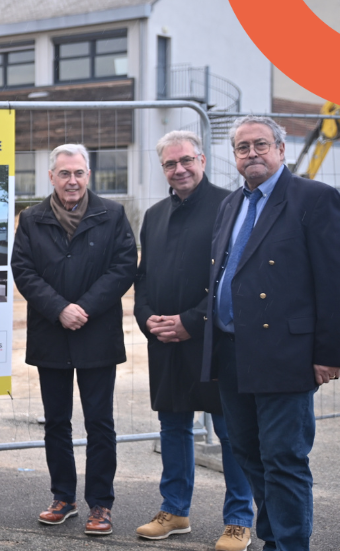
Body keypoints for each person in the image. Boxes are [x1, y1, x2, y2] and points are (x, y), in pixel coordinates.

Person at [202, 116, 340, 551]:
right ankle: (274, 540)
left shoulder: (314, 198)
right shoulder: (230, 205)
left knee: (284, 460)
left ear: (281, 150)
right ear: (233, 156)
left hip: (286, 354)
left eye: (261, 145)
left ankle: (290, 545)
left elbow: (338, 281)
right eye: (242, 147)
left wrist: (330, 353)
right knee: (249, 454)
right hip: (232, 353)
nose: (252, 154)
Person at [133, 131, 254, 551]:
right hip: (165, 341)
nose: (179, 169)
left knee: (231, 431)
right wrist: (146, 317)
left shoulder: (231, 206)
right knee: (172, 427)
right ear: (162, 168)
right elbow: (144, 276)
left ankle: (239, 519)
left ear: (202, 159)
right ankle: (175, 510)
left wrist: (191, 321)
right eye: (170, 164)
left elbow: (235, 276)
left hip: (214, 339)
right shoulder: (154, 215)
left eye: (186, 160)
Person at [10, 143, 137, 537]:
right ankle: (63, 498)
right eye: (64, 173)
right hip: (51, 334)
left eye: (79, 173)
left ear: (88, 175)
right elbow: (23, 269)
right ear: (51, 177)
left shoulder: (112, 214)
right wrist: (59, 309)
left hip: (97, 333)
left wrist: (83, 308)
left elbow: (123, 266)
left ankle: (101, 504)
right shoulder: (32, 218)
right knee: (56, 423)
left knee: (100, 424)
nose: (72, 180)